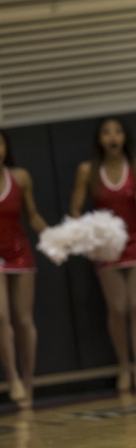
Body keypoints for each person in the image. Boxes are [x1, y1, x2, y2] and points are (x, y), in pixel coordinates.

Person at [70, 118, 136, 391]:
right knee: (117, 308)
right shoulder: (88, 171)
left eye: (117, 131)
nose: (112, 136)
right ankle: (124, 366)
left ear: (125, 138)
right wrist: (88, 229)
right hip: (107, 246)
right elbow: (75, 209)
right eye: (106, 132)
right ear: (99, 140)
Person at [0, 131, 47, 408]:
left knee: (24, 319)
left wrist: (57, 237)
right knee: (1, 316)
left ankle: (28, 380)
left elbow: (32, 215)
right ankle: (12, 377)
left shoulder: (20, 177)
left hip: (19, 251)